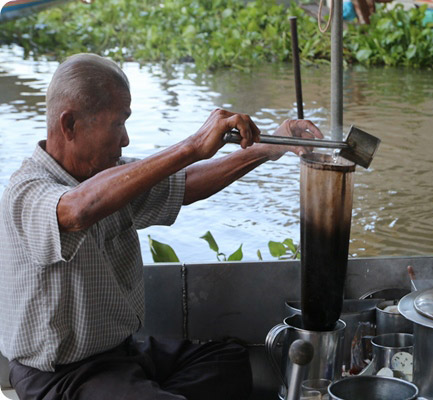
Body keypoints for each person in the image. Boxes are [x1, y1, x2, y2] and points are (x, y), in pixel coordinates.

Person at [0, 53, 323, 400]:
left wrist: (270, 146)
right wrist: (192, 146)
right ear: (69, 125)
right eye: (117, 123)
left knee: (229, 362)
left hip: (123, 356)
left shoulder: (109, 178)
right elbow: (76, 210)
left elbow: (186, 184)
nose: (125, 140)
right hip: (59, 377)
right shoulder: (27, 191)